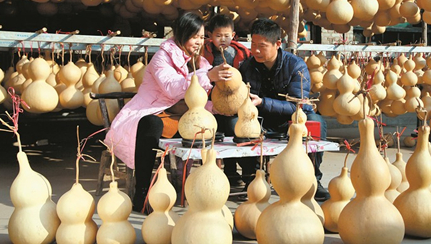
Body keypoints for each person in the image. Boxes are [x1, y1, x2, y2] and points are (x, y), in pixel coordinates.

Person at [104, 12, 232, 213]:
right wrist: (207, 76)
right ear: (181, 35)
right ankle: (142, 191)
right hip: (152, 110)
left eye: (201, 37)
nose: (198, 42)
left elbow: (200, 99)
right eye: (193, 37)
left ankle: (194, 190)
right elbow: (172, 88)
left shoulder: (201, 62)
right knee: (150, 124)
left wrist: (223, 99)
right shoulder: (161, 57)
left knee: (211, 125)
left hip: (181, 114)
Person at [238, 18, 329, 201]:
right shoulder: (247, 67)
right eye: (253, 44)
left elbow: (298, 104)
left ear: (278, 44)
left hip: (292, 119)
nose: (255, 50)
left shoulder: (296, 66)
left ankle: (313, 178)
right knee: (235, 124)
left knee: (316, 122)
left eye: (261, 46)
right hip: (261, 120)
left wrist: (263, 102)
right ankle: (251, 177)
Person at [203, 14, 252, 187]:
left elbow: (248, 76)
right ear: (209, 35)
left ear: (233, 35)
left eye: (226, 36)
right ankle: (223, 173)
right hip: (210, 104)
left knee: (235, 132)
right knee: (218, 136)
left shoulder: (241, 53)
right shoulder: (203, 53)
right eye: (218, 36)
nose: (222, 40)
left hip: (234, 103)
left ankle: (246, 174)